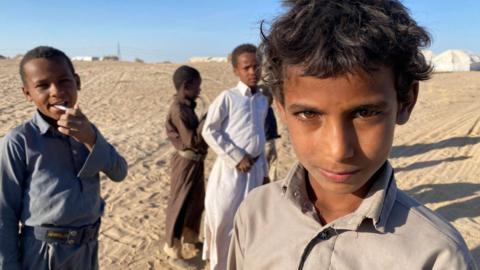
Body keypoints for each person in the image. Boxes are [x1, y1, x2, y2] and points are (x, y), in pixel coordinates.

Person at [227, 1, 478, 269]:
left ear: (405, 101)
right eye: (309, 114)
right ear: (280, 106)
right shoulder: (255, 213)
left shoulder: (437, 255)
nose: (338, 150)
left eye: (365, 112)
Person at [0, 46, 128, 270]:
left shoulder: (88, 131)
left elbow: (119, 172)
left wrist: (91, 139)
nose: (56, 91)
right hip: (44, 255)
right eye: (42, 85)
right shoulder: (19, 141)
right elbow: (4, 212)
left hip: (88, 250)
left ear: (77, 82)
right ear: (27, 94)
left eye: (64, 81)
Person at [202, 44, 268, 270]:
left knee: (251, 222)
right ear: (236, 71)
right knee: (224, 221)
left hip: (256, 169)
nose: (252, 72)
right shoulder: (227, 98)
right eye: (246, 67)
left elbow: (261, 136)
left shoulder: (262, 100)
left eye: (256, 66)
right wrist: (237, 156)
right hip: (231, 173)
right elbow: (209, 130)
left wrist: (265, 172)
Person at [164, 65, 208, 267]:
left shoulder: (187, 106)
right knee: (180, 204)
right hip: (185, 162)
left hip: (195, 162)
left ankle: (190, 238)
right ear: (186, 86)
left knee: (196, 202)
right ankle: (173, 250)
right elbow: (191, 140)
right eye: (197, 86)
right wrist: (206, 121)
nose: (200, 90)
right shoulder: (179, 110)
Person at [261, 87, 280, 181]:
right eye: (270, 97)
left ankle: (272, 182)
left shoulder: (268, 109)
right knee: (267, 164)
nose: (272, 99)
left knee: (273, 162)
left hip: (270, 140)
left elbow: (271, 125)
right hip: (265, 141)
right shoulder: (263, 110)